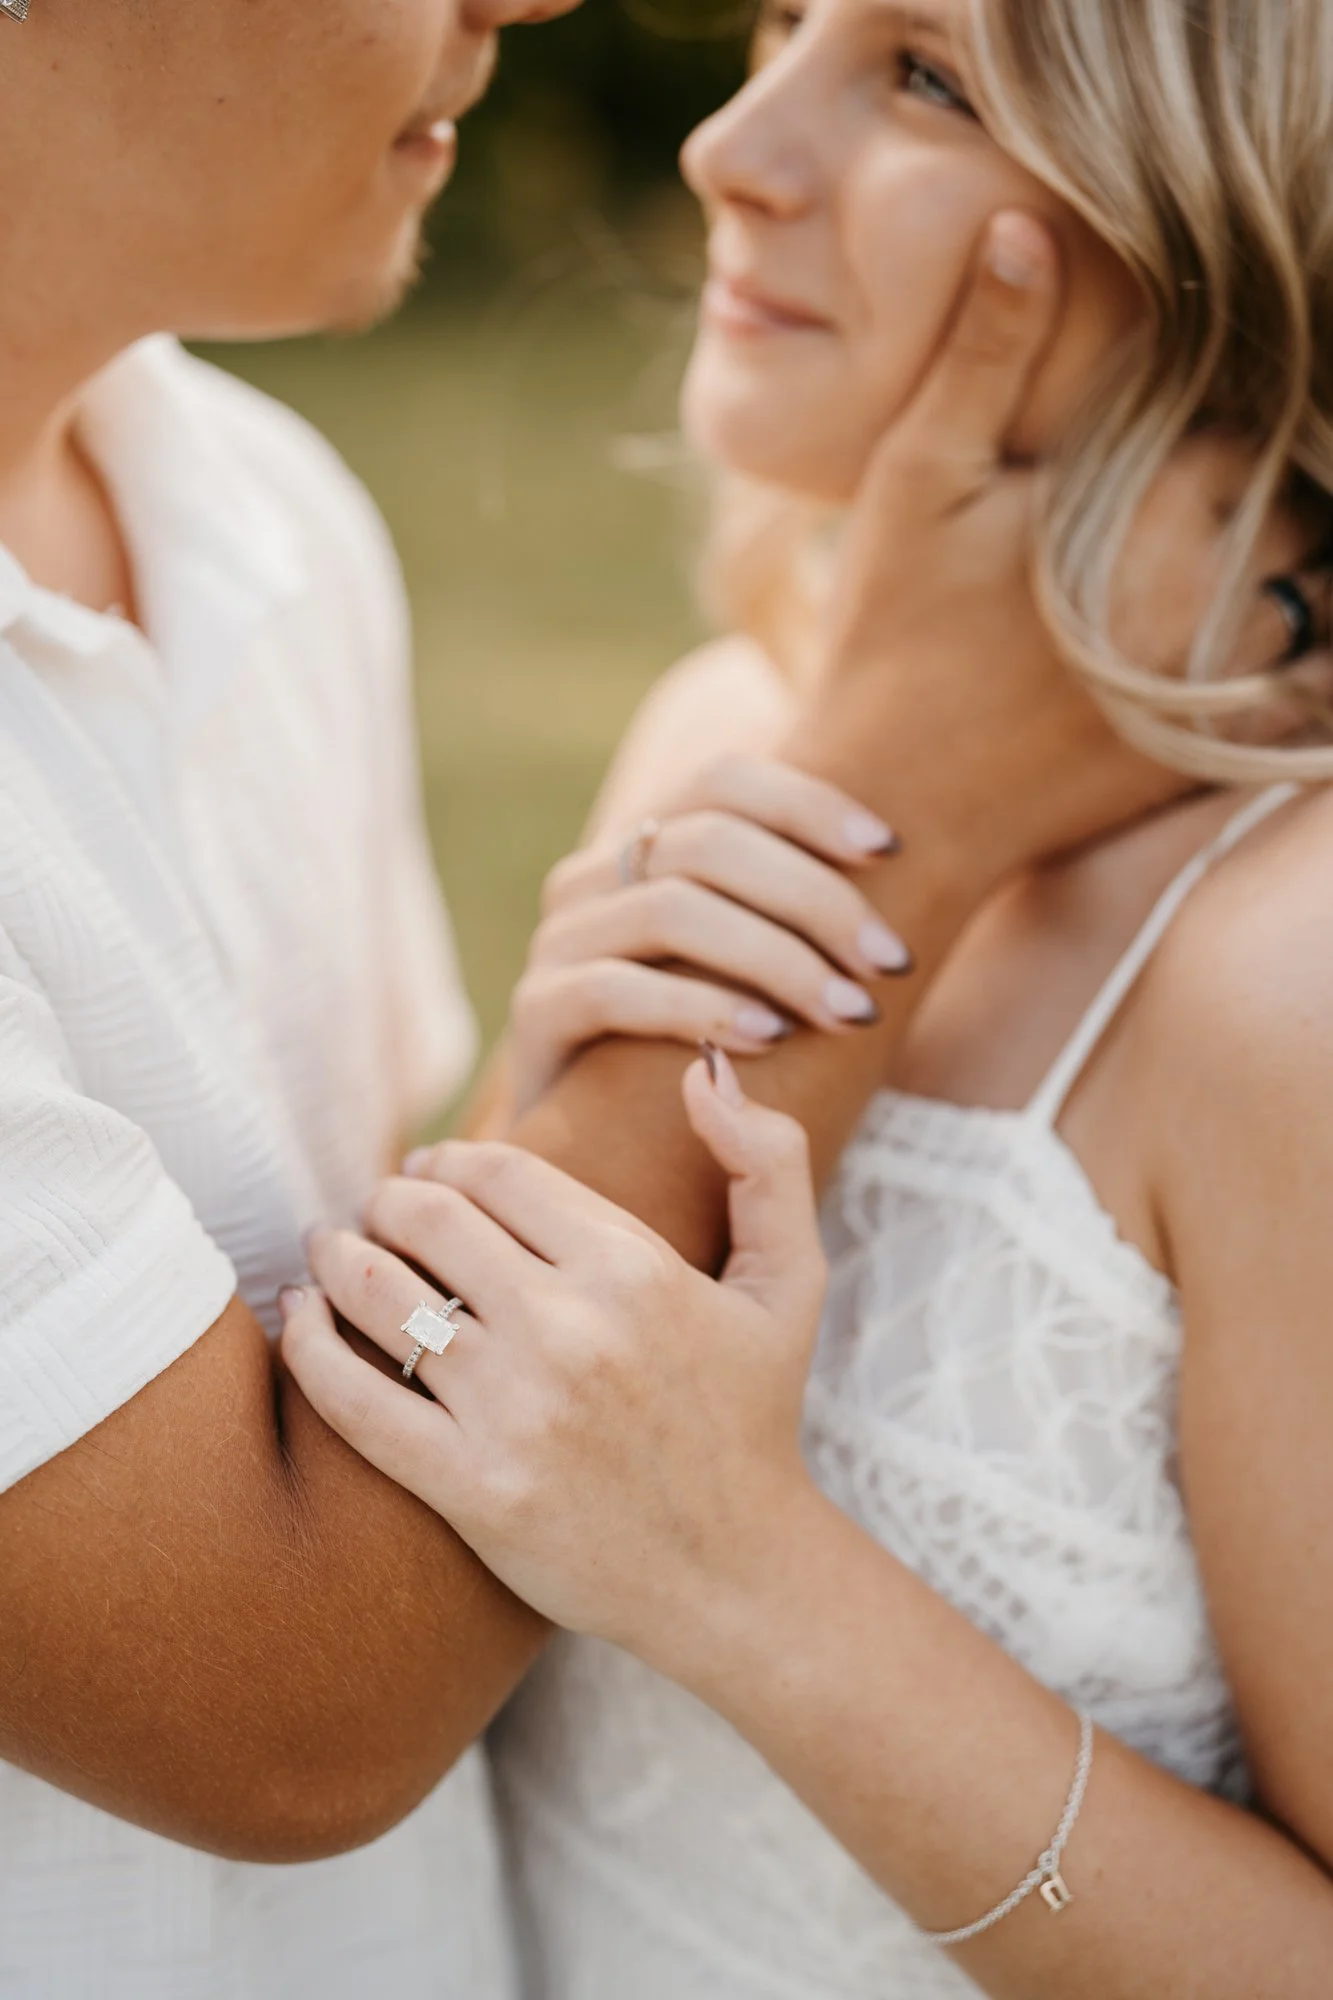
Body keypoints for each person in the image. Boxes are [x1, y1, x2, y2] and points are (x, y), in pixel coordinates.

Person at [0, 1, 1231, 1996]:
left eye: (916, 71)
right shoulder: (760, 751)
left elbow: (367, 1330)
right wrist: (896, 803)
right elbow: (292, 1695)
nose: (538, 9)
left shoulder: (265, 525)